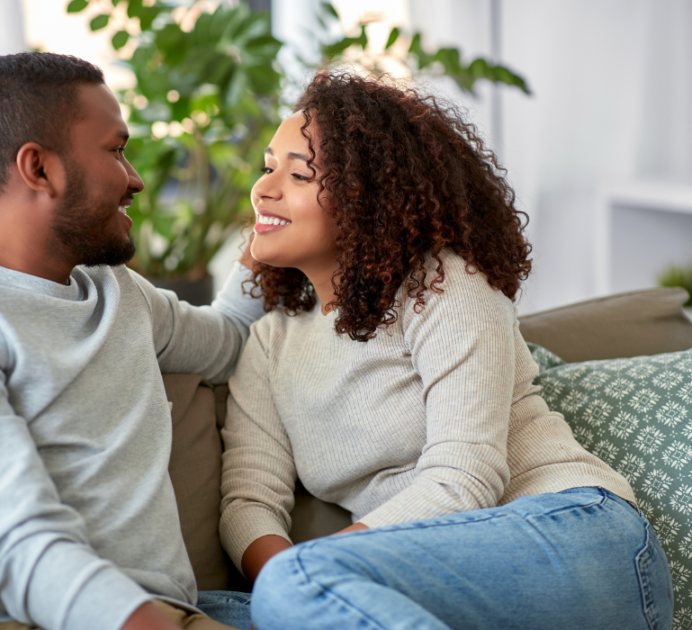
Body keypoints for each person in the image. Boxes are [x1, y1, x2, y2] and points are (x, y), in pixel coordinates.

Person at [219, 71, 674, 630]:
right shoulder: (270, 343)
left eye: (297, 175)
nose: (262, 190)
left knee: (294, 589)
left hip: (575, 534)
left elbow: (466, 478)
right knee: (209, 609)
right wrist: (290, 580)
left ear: (369, 196)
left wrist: (314, 570)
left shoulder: (442, 285)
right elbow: (249, 502)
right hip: (423, 574)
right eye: (268, 168)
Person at [0, 52, 260, 630]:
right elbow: (16, 543)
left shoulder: (118, 293)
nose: (135, 179)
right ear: (38, 168)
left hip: (173, 612)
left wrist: (273, 224)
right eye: (115, 150)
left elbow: (233, 337)